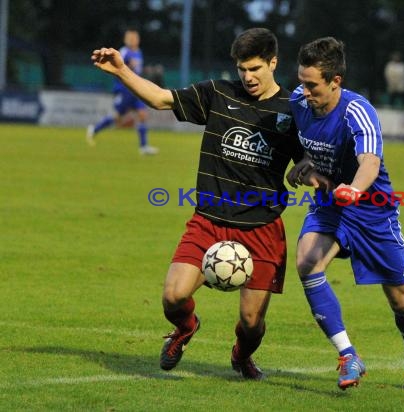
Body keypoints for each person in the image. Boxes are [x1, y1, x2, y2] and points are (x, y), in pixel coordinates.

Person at [91, 28, 304, 379]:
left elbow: (307, 159)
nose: (247, 77)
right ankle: (186, 327)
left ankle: (241, 354)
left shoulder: (292, 111)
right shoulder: (218, 93)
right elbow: (161, 99)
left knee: (252, 324)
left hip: (262, 227)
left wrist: (308, 170)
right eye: (242, 69)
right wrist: (120, 70)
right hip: (209, 220)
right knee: (173, 297)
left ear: (273, 63)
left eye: (255, 68)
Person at [287, 37, 404, 392]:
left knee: (399, 296)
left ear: (336, 81)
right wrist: (303, 167)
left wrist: (355, 187)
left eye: (312, 85)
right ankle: (347, 355)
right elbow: (294, 144)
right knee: (307, 262)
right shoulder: (297, 101)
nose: (304, 91)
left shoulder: (357, 110)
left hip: (373, 212)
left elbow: (370, 161)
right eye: (301, 81)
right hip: (330, 205)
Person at [87, 29, 159, 155]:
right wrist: (128, 66)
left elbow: (137, 70)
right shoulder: (124, 52)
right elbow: (118, 68)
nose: (133, 40)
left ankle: (143, 147)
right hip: (125, 89)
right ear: (126, 39)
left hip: (137, 88)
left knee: (142, 114)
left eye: (135, 38)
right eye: (131, 38)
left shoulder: (138, 52)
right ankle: (94, 129)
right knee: (118, 118)